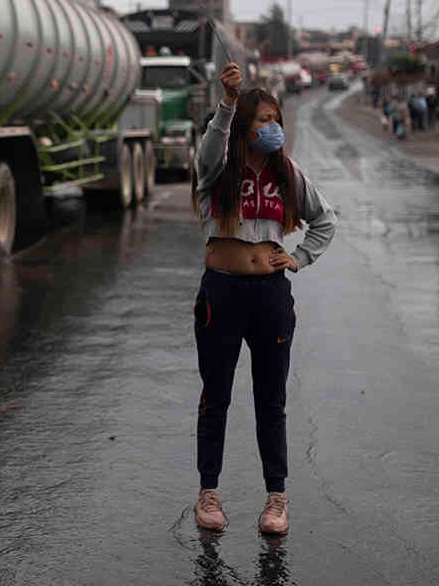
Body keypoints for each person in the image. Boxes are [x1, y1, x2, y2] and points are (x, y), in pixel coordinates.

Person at [189, 63, 337, 536]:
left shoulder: (286, 172)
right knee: (217, 397)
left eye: (277, 121)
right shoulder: (218, 170)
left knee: (270, 400)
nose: (272, 129)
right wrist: (228, 103)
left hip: (271, 297)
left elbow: (325, 220)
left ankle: (277, 498)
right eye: (263, 121)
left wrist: (299, 259)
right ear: (243, 127)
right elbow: (209, 151)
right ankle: (207, 492)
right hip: (222, 294)